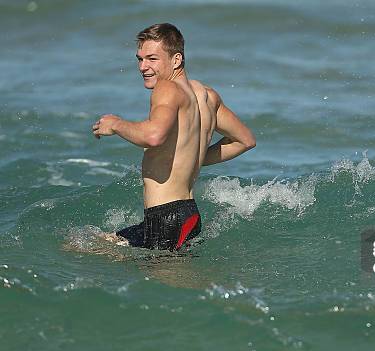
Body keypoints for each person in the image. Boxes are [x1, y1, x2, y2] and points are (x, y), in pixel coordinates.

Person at [92, 23, 255, 251]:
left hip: (167, 218)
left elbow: (153, 136)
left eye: (152, 59)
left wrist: (116, 124)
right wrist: (191, 158)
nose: (143, 67)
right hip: (186, 214)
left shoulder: (167, 88)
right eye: (139, 59)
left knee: (164, 281)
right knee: (90, 245)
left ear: (176, 60)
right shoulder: (206, 95)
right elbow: (244, 140)